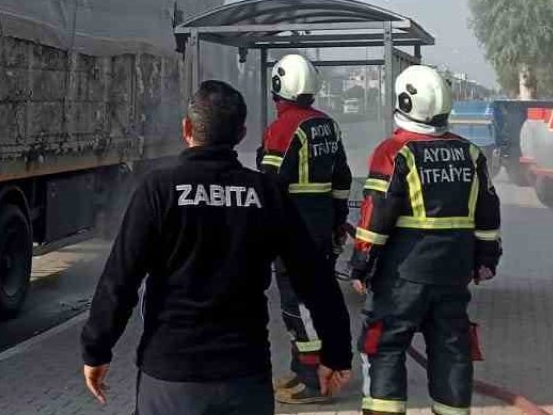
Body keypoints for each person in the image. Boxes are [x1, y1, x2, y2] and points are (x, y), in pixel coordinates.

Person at [81, 80, 353, 415]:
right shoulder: (266, 193)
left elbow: (120, 280)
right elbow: (315, 280)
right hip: (245, 376)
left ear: (186, 128)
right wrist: (337, 353)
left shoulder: (158, 189)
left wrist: (97, 351)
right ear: (241, 134)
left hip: (170, 377)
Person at [348, 65, 502, 415]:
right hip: (454, 274)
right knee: (452, 349)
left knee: (384, 346)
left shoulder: (394, 151)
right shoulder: (472, 153)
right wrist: (486, 259)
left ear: (405, 102)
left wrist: (360, 265)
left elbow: (376, 217)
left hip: (402, 278)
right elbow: (488, 216)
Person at [256, 54, 354, 405]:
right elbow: (342, 179)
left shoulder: (283, 128)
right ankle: (302, 371)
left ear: (279, 87)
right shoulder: (327, 124)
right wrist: (338, 217)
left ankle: (313, 380)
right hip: (322, 225)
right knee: (318, 298)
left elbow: (270, 185)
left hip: (293, 229)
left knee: (297, 305)